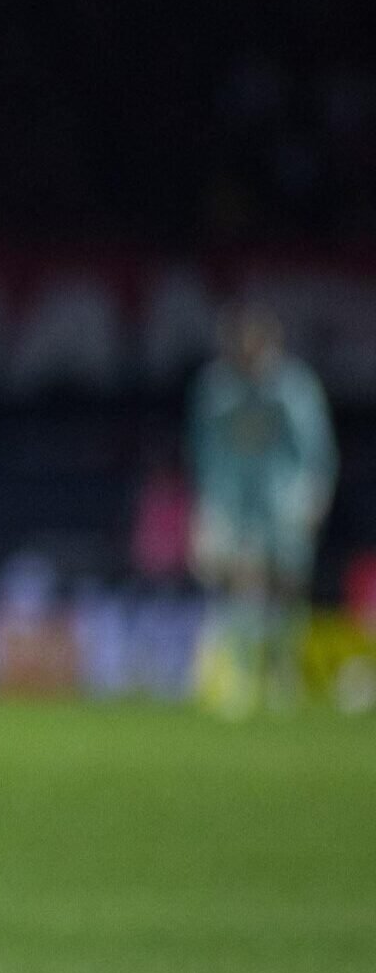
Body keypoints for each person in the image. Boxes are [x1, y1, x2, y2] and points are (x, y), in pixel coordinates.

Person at [187, 304, 338, 717]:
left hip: (284, 501)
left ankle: (283, 673)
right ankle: (242, 675)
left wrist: (314, 493)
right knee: (242, 583)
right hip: (235, 502)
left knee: (287, 587)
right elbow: (203, 449)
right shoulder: (218, 388)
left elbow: (316, 447)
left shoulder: (293, 387)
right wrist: (206, 507)